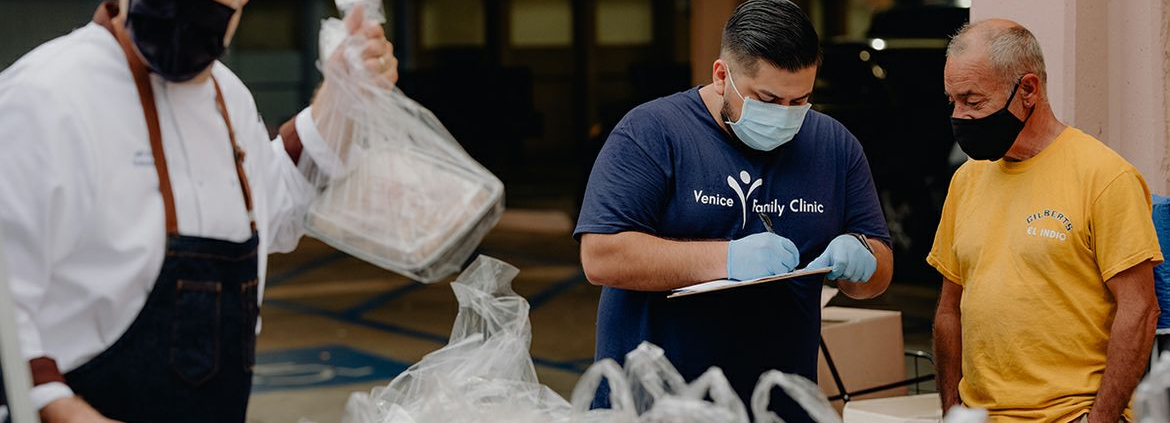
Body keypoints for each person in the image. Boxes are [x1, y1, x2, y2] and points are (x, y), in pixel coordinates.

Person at [0, 0, 398, 422]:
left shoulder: (229, 100)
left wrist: (341, 98)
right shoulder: (41, 98)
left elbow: (276, 208)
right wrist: (62, 410)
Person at [574, 0, 893, 420]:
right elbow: (601, 256)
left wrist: (862, 260)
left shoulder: (835, 147)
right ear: (722, 75)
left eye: (801, 99)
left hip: (778, 405)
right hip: (656, 406)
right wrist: (727, 258)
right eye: (767, 98)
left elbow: (881, 271)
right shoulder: (652, 133)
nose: (784, 114)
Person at [930, 19, 1161, 423]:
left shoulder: (1105, 177)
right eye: (952, 102)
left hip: (1069, 415)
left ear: (1029, 90)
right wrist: (951, 411)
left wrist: (1101, 419)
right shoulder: (966, 180)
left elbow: (1140, 309)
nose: (960, 116)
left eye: (973, 100)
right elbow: (950, 310)